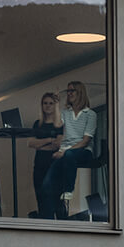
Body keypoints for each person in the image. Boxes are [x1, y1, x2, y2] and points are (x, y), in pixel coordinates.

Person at [39, 80, 97, 219]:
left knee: (70, 154)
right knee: (46, 184)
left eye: (72, 91)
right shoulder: (65, 113)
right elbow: (58, 123)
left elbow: (85, 141)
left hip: (83, 152)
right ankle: (49, 219)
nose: (69, 93)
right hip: (65, 153)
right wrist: (57, 104)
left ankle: (69, 189)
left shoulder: (91, 114)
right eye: (68, 91)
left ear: (80, 93)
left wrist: (63, 152)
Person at [26, 91, 63, 216]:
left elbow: (57, 145)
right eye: (45, 103)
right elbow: (30, 143)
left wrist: (40, 145)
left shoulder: (59, 124)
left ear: (55, 106)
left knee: (54, 200)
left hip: (54, 166)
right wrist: (48, 140)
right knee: (40, 200)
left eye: (51, 103)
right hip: (39, 166)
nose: (47, 106)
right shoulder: (38, 124)